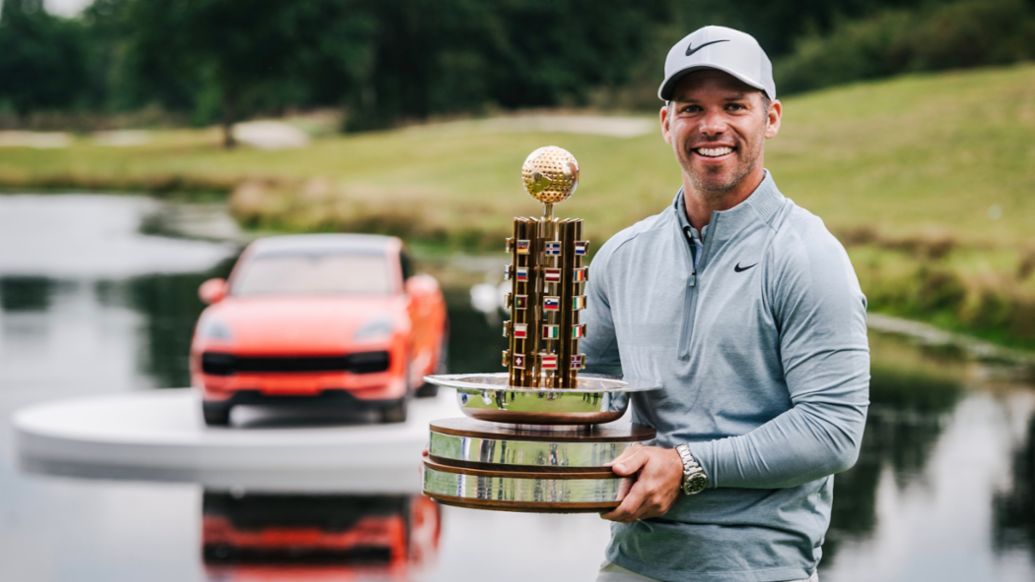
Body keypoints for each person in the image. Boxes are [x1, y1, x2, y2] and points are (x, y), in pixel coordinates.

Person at [582, 25, 870, 582]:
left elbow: (832, 431)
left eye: (734, 105)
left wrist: (686, 465)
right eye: (691, 107)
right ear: (666, 123)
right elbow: (588, 399)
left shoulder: (808, 256)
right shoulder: (621, 255)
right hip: (631, 564)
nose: (712, 125)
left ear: (771, 118)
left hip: (760, 570)